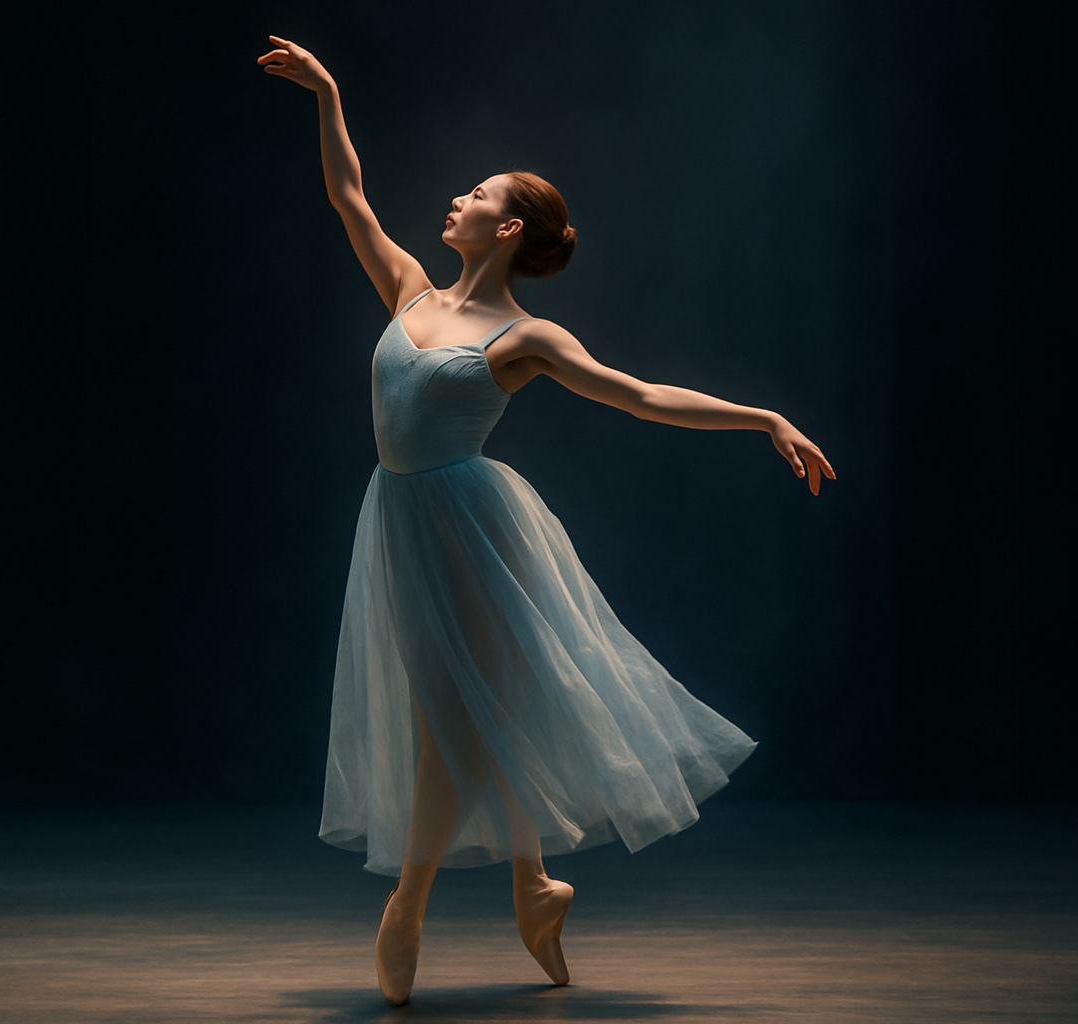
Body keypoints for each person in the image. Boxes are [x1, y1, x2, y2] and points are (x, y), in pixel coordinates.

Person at [257, 35, 836, 1005]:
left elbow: (642, 395)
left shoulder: (525, 336)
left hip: (470, 525)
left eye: (479, 194)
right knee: (467, 711)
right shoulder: (409, 289)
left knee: (452, 721)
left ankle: (408, 905)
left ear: (511, 228)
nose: (457, 198)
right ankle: (535, 884)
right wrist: (328, 96)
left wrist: (765, 416)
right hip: (402, 519)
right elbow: (347, 196)